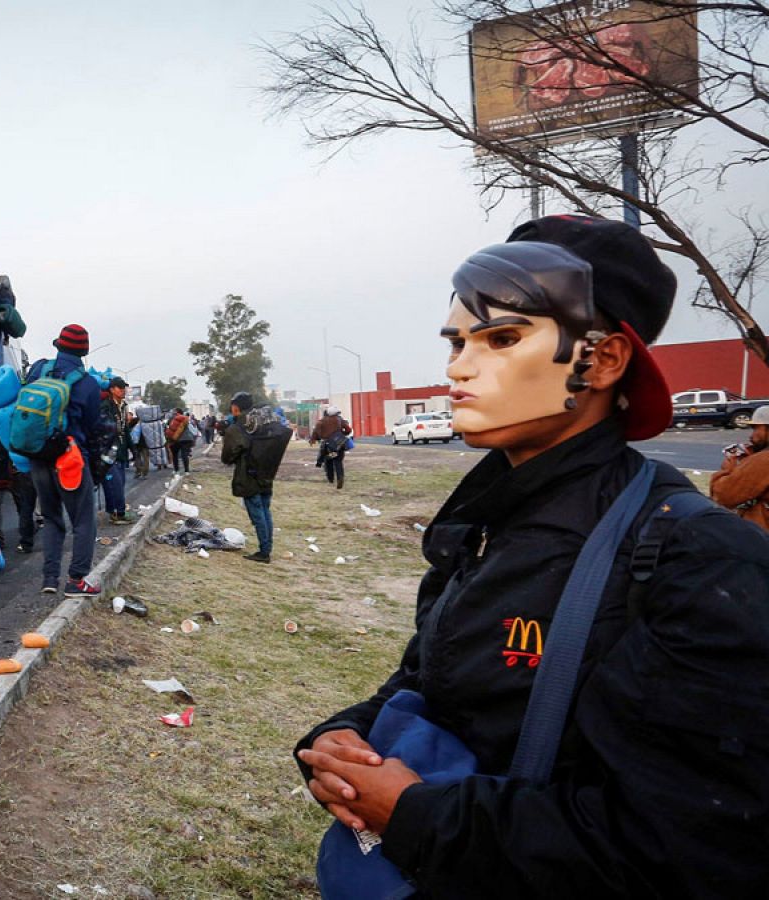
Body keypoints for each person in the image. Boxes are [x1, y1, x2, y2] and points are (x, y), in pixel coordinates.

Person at [294, 215, 769, 898]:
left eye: (502, 338)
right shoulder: (482, 524)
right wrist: (341, 740)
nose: (459, 366)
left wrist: (418, 818)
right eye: (457, 341)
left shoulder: (698, 560)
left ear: (604, 361)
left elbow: (691, 849)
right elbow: (433, 687)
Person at [25, 324, 104, 597]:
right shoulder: (88, 384)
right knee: (83, 520)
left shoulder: (37, 370)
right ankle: (76, 581)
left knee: (51, 517)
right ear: (84, 351)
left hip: (38, 455)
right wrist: (96, 463)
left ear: (58, 345)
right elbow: (93, 428)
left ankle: (49, 579)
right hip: (70, 459)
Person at [220, 392, 290, 564]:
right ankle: (267, 548)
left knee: (257, 513)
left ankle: (264, 552)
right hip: (267, 472)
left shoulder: (238, 427)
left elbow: (228, 456)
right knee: (265, 511)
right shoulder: (263, 421)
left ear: (236, 407)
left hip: (248, 474)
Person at [710, 404, 769, 532]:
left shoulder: (764, 460)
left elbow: (723, 496)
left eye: (755, 428)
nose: (751, 436)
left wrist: (728, 469)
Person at [100, 376, 136, 525]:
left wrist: (132, 448)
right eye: (120, 388)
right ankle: (119, 512)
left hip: (120, 449)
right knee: (114, 481)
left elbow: (125, 429)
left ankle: (113, 510)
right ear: (112, 389)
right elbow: (106, 429)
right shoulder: (105, 406)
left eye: (124, 388)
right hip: (108, 450)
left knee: (119, 481)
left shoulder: (123, 406)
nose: (123, 390)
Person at [309, 405, 351, 488]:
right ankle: (340, 477)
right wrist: (343, 434)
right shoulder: (340, 420)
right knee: (338, 461)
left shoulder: (321, 421)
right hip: (339, 445)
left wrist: (313, 439)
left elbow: (316, 432)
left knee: (327, 460)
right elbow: (348, 430)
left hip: (328, 446)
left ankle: (331, 479)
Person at [166, 407, 195, 473]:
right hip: (187, 438)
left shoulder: (172, 418)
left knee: (175, 455)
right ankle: (186, 471)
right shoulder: (185, 418)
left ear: (176, 412)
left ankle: (176, 470)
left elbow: (168, 427)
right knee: (184, 455)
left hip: (176, 439)